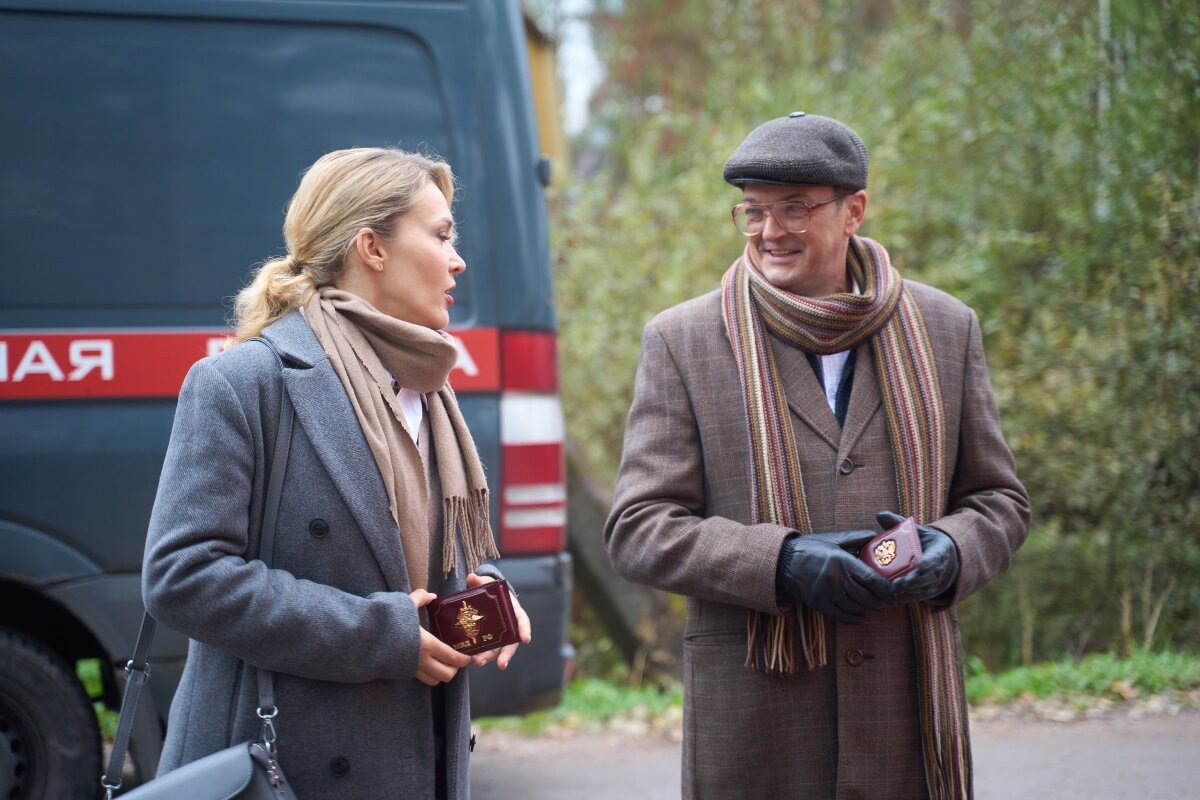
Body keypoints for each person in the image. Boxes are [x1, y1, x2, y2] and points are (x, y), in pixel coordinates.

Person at [604, 112, 1030, 799]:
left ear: (853, 210)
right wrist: (782, 562)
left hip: (905, 715)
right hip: (758, 727)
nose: (769, 231)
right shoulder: (682, 341)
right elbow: (638, 530)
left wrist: (953, 550)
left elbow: (999, 502)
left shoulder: (947, 329)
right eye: (754, 210)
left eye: (795, 207)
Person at [142, 147, 531, 800]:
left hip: (415, 758)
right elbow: (183, 576)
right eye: (440, 235)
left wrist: (482, 595)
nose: (458, 259)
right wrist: (380, 635)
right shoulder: (244, 382)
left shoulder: (427, 389)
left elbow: (408, 563)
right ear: (371, 247)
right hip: (284, 762)